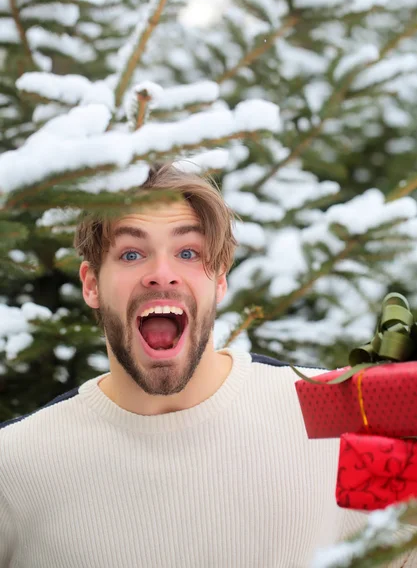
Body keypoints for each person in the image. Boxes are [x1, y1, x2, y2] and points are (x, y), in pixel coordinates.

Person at [0, 163, 414, 567]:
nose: (162, 274)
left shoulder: (344, 415)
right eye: (131, 253)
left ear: (219, 279)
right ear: (91, 284)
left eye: (187, 252)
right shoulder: (15, 465)